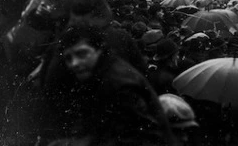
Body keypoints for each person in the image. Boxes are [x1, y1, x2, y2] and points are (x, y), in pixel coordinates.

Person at [46, 25, 174, 145]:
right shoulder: (103, 72)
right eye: (69, 58)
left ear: (99, 49)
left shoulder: (119, 84)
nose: (74, 63)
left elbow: (142, 138)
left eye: (81, 54)